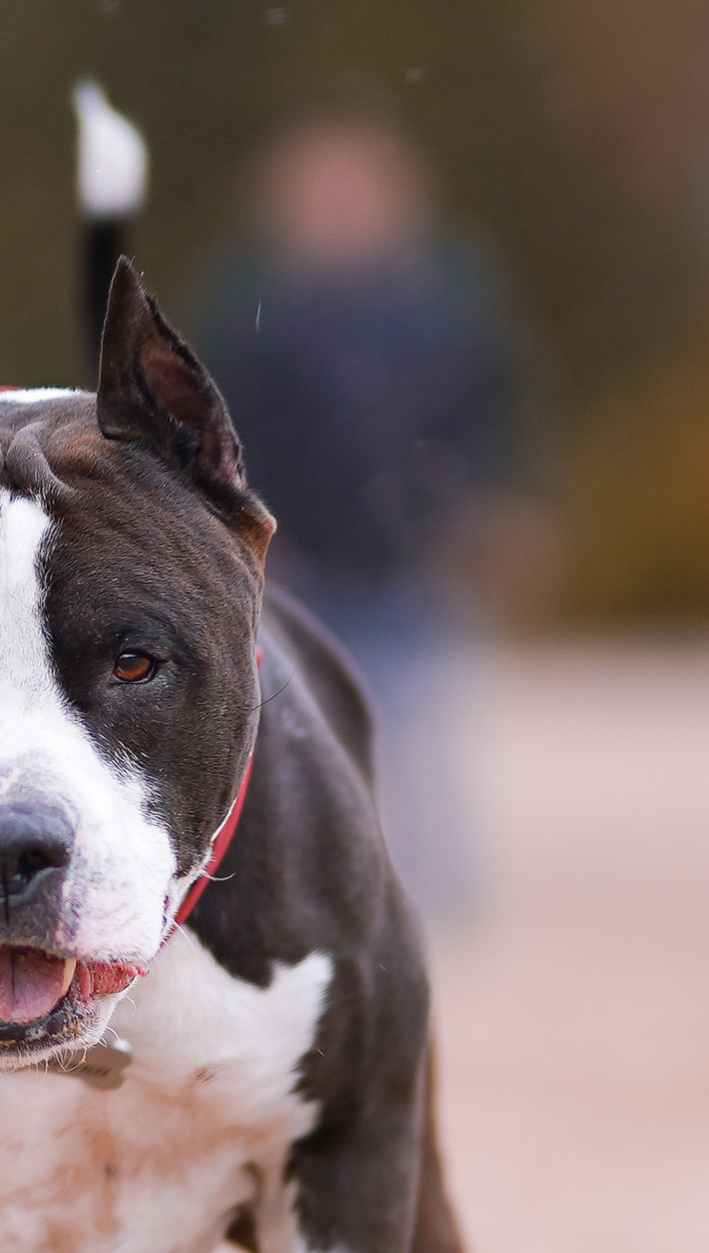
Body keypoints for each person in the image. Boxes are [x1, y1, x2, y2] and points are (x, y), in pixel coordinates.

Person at [202, 116, 549, 920]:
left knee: (416, 729)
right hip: (294, 557)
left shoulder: (443, 303)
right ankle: (309, 886)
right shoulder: (255, 307)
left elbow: (489, 411)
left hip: (407, 555)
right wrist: (240, 523)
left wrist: (496, 501)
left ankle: (428, 892)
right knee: (294, 731)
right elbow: (220, 425)